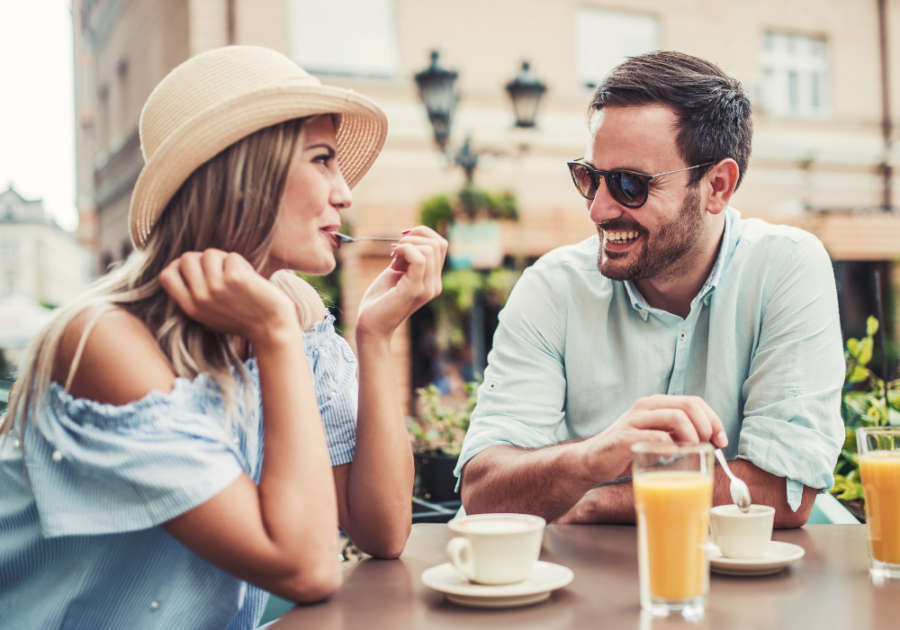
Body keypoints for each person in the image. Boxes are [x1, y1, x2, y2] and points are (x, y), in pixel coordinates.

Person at [0, 46, 447, 630]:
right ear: (243, 174)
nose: (346, 194)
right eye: (321, 160)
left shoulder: (298, 318)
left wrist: (375, 335)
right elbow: (309, 568)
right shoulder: (105, 342)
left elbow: (382, 531)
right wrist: (275, 337)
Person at [455, 51, 844, 529]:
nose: (598, 210)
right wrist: (590, 460)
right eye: (590, 177)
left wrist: (594, 500)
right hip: (580, 592)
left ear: (717, 186)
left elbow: (784, 490)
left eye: (628, 184)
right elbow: (482, 492)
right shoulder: (551, 288)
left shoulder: (785, 266)